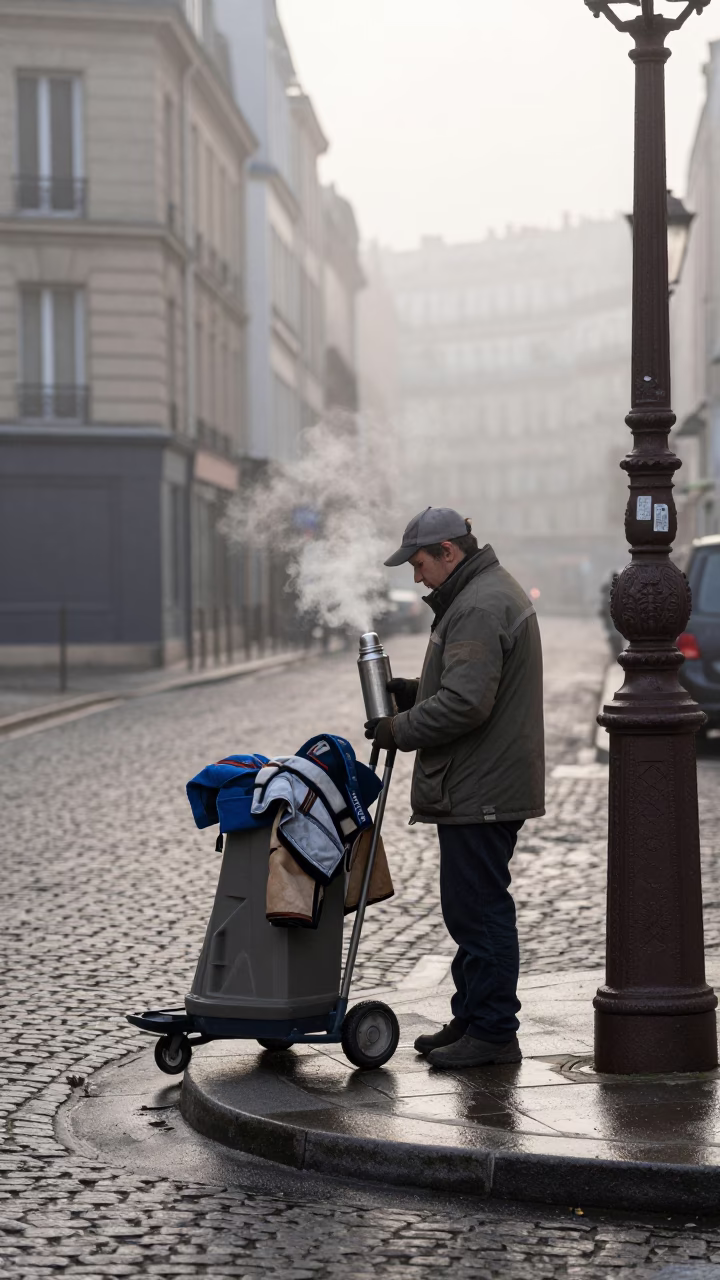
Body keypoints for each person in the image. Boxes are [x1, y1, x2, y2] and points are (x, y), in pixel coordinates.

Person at [365, 506, 545, 1069]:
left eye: (420, 564)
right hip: (478, 781)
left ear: (450, 551)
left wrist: (400, 728)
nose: (417, 577)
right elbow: (464, 683)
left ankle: (492, 1033)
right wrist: (416, 691)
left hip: (480, 786)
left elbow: (467, 702)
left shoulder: (477, 603)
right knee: (469, 908)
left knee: (480, 912)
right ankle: (471, 1017)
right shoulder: (479, 594)